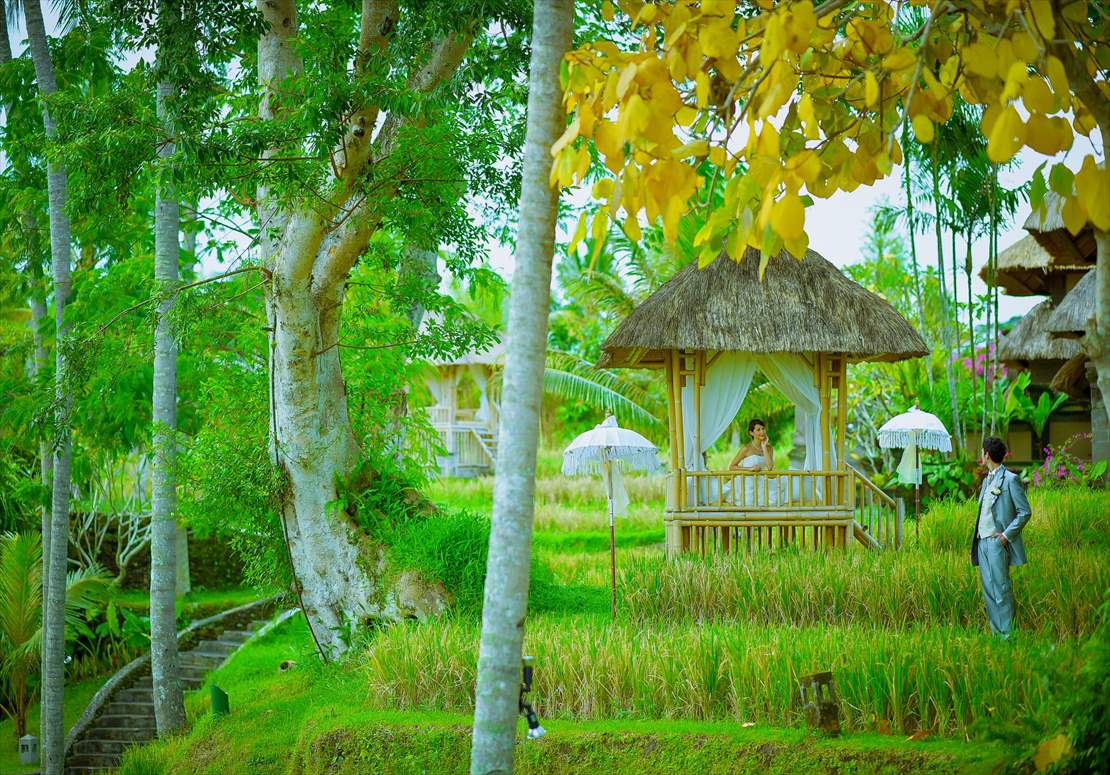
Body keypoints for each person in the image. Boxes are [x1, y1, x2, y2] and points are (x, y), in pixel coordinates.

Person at [971, 436, 1032, 639]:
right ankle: (996, 634)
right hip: (982, 542)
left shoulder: (1011, 479)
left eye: (982, 452)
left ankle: (1007, 635)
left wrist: (1006, 536)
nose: (981, 455)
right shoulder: (987, 478)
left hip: (998, 543)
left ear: (987, 455)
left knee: (1002, 589)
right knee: (989, 590)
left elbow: (1025, 512)